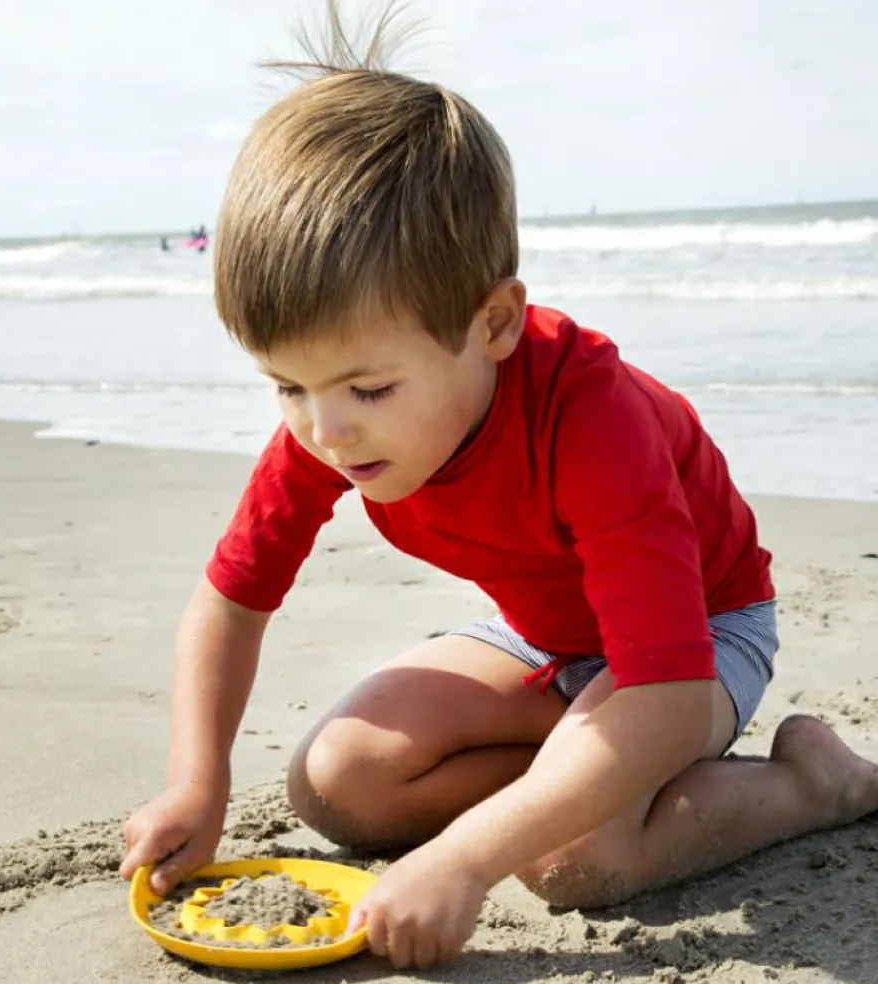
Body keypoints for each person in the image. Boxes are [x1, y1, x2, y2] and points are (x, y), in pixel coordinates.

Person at [119, 2, 878, 970]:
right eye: (287, 386)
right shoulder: (325, 422)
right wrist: (198, 783)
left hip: (696, 640)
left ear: (493, 323)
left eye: (369, 388)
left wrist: (470, 856)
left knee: (573, 859)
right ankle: (590, 773)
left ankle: (818, 786)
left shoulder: (593, 418)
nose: (324, 428)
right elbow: (231, 601)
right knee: (341, 786)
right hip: (545, 635)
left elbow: (662, 685)